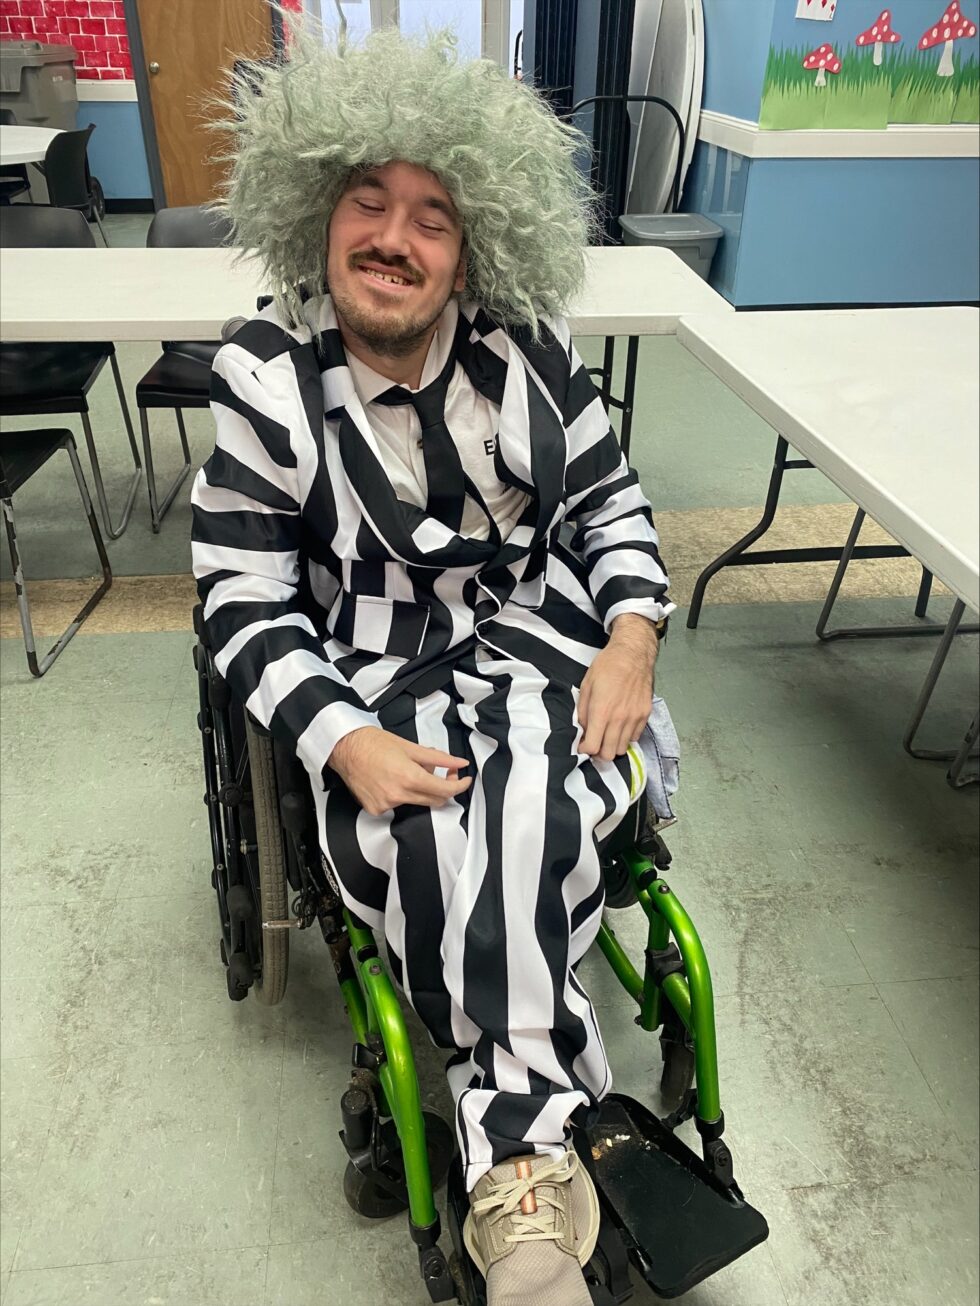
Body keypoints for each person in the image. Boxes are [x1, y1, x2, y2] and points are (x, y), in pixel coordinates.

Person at [191, 18, 673, 1305]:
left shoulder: (526, 356)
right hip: (364, 664)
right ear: (318, 213)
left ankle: (507, 1156)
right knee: (411, 833)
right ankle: (532, 1149)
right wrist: (340, 737)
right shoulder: (266, 380)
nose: (393, 239)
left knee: (539, 806)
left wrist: (631, 634)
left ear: (472, 249)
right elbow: (238, 595)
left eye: (432, 217)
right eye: (367, 201)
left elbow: (612, 508)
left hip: (535, 639)